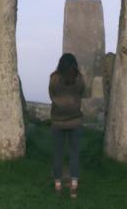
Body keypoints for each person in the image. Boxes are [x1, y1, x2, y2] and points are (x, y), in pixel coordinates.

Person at [48, 53, 85, 199]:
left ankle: (58, 185)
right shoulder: (79, 78)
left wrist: (59, 103)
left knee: (58, 153)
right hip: (75, 120)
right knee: (74, 153)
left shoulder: (54, 78)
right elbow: (81, 93)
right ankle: (74, 186)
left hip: (58, 120)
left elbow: (51, 94)